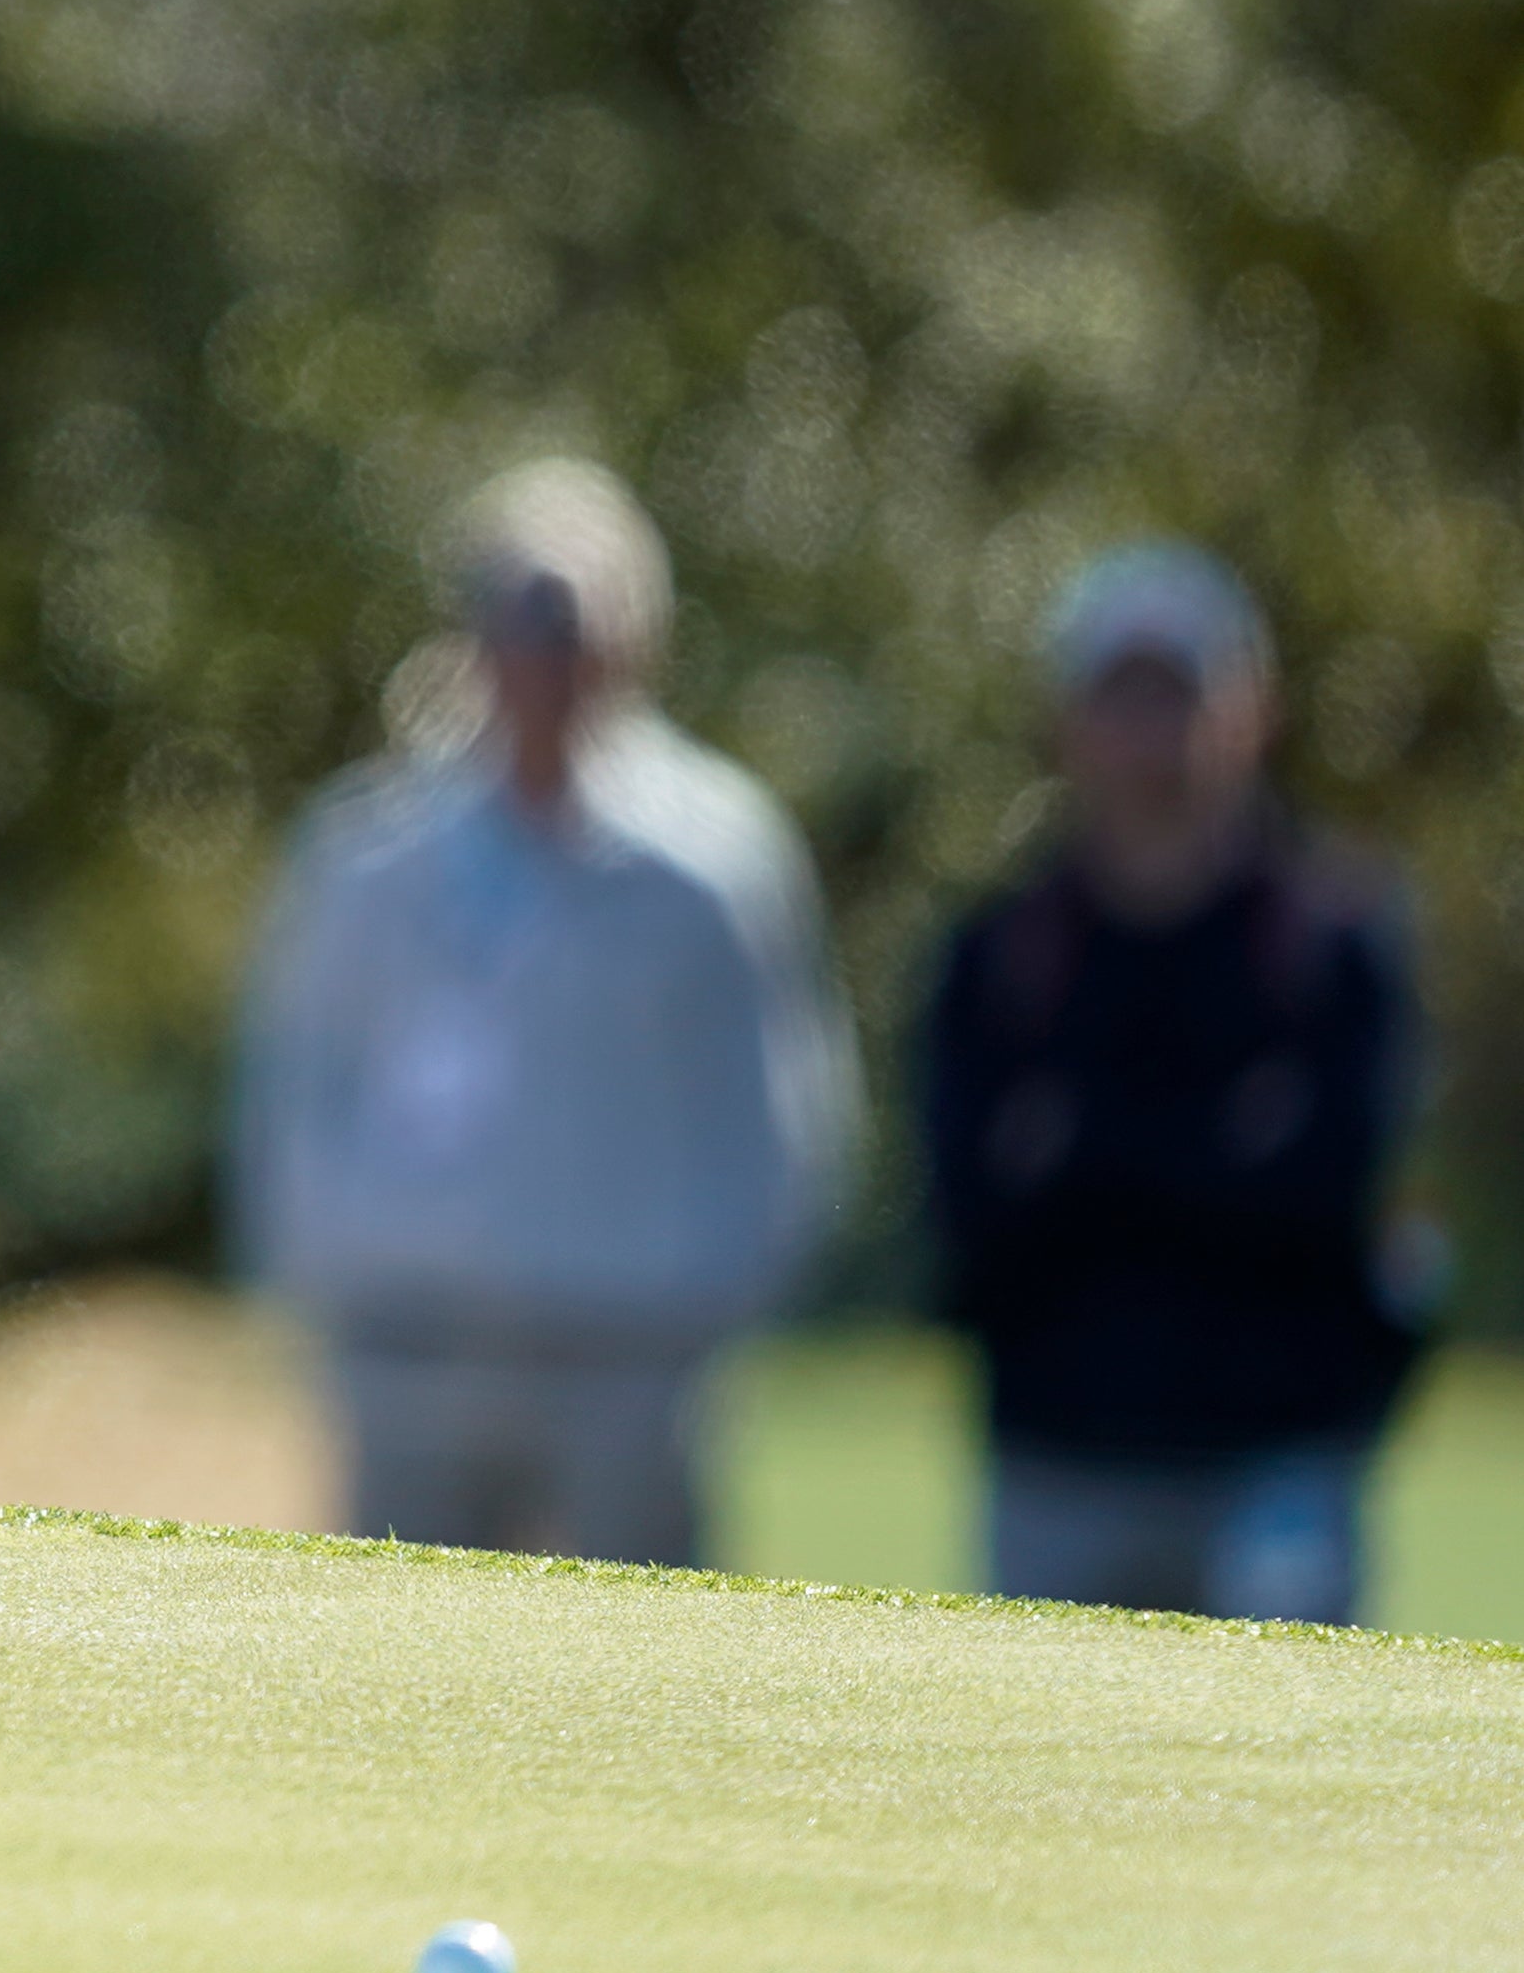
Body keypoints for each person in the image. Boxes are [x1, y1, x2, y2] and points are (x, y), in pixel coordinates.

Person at [234, 459, 855, 1564]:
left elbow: (784, 1115)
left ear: (636, 637)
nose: (545, 655)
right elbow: (297, 1088)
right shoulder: (371, 851)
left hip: (629, 1373)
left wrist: (701, 1317)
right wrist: (339, 1288)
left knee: (632, 1710)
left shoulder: (712, 858)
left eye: (572, 622)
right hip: (411, 1362)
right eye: (519, 619)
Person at [923, 546, 1428, 1621]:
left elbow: (1332, 1188)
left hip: (1275, 1469)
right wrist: (1221, 1153)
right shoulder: (1004, 954)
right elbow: (972, 1219)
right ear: (1066, 721)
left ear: (1252, 711)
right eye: (1121, 693)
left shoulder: (1331, 941)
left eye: (1180, 690)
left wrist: (1087, 1156)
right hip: (1058, 1463)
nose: (1152, 730)